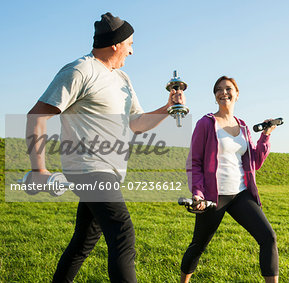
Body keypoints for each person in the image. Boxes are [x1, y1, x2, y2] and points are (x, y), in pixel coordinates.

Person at [26, 12, 185, 283]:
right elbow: (37, 116)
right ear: (116, 44)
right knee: (122, 233)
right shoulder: (80, 70)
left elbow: (136, 123)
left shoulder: (122, 79)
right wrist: (38, 168)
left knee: (84, 241)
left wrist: (168, 108)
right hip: (88, 167)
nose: (132, 51)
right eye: (130, 44)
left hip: (109, 172)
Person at [180, 76, 279, 283]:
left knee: (268, 238)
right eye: (218, 90)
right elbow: (194, 162)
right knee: (199, 245)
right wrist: (197, 193)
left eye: (228, 89)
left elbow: (255, 161)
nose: (223, 92)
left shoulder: (242, 126)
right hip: (214, 197)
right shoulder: (206, 123)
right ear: (215, 96)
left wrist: (266, 135)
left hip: (241, 194)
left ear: (237, 94)